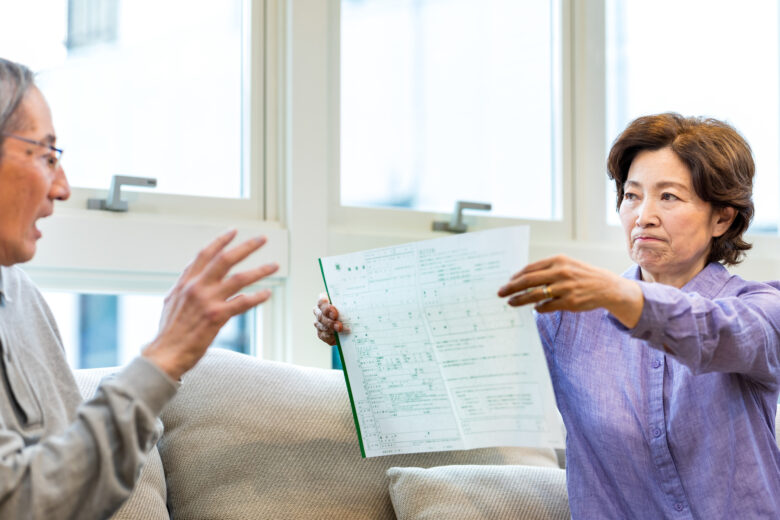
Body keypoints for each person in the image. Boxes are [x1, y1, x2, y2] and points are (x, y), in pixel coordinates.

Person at [314, 113, 780, 518]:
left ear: (722, 218)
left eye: (669, 198)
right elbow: (456, 364)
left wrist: (618, 293)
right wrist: (355, 331)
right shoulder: (566, 322)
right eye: (632, 196)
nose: (643, 216)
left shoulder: (760, 310)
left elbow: (716, 333)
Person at [0, 57, 279, 518]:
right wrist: (161, 359)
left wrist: (165, 365)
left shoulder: (21, 294)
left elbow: (81, 480)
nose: (63, 188)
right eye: (46, 155)